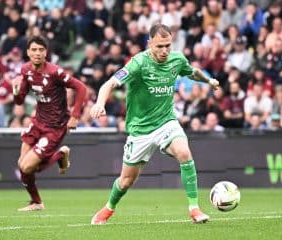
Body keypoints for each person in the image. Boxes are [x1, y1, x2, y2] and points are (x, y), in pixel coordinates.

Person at [89, 24, 219, 225]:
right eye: (159, 46)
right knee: (126, 181)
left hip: (167, 122)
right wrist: (99, 103)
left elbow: (192, 72)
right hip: (140, 130)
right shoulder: (138, 63)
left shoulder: (177, 59)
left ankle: (194, 208)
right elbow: (110, 84)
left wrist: (208, 81)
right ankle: (108, 208)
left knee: (184, 153)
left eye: (168, 45)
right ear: (149, 43)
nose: (164, 51)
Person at [11, 36, 86, 211]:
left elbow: (81, 87)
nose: (37, 53)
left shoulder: (55, 72)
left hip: (55, 127)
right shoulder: (25, 70)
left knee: (27, 166)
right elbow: (20, 102)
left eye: (41, 50)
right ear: (28, 52)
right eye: (34, 50)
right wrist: (15, 91)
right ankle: (36, 202)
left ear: (46, 52)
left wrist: (75, 115)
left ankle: (60, 154)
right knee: (23, 166)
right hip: (38, 122)